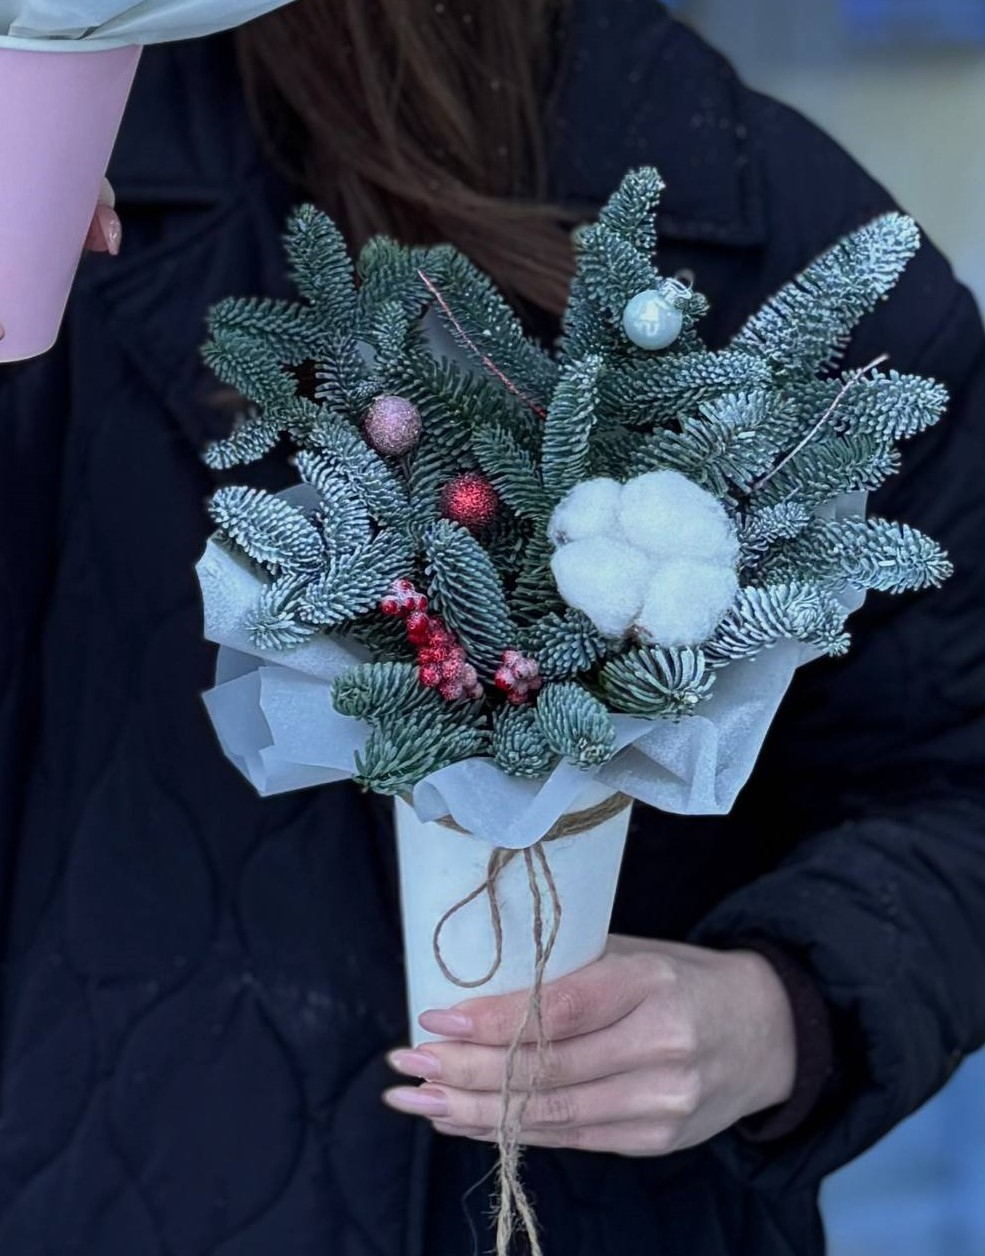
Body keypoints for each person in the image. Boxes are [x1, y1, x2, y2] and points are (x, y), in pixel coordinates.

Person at [1, 1, 983, 1253]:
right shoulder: (58, 172)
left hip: (601, 1211)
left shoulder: (768, 226)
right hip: (107, 1173)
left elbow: (953, 774)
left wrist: (778, 1006)